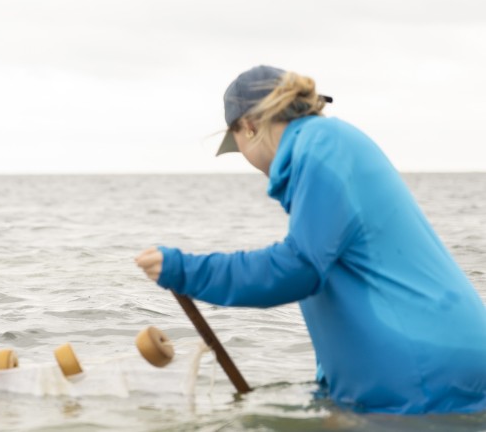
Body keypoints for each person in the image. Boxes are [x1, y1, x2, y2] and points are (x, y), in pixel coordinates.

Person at [135, 65, 486, 414]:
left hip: (426, 378)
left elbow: (298, 269)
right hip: (427, 371)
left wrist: (184, 270)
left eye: (236, 144)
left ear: (249, 126)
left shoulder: (320, 145)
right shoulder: (329, 145)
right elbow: (345, 281)